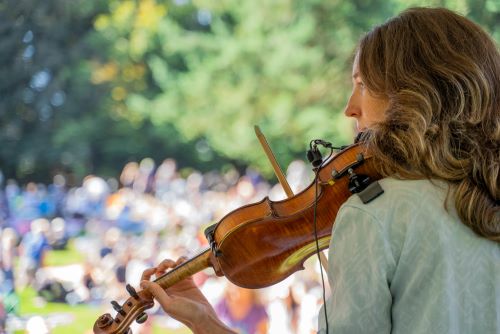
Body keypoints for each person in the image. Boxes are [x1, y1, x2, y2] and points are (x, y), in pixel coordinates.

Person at [140, 7, 499, 333]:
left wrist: (207, 326)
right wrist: (206, 321)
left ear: (411, 94)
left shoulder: (374, 216)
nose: (350, 108)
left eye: (362, 85)